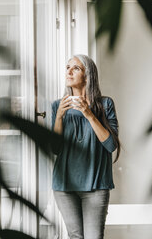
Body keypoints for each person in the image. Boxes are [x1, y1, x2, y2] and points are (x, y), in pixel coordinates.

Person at [51, 54, 121, 239]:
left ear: (88, 75)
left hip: (96, 186)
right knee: (75, 236)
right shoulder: (57, 106)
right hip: (65, 186)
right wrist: (59, 117)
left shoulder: (105, 105)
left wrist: (88, 114)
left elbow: (111, 145)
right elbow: (55, 149)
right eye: (67, 67)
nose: (69, 71)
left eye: (76, 68)